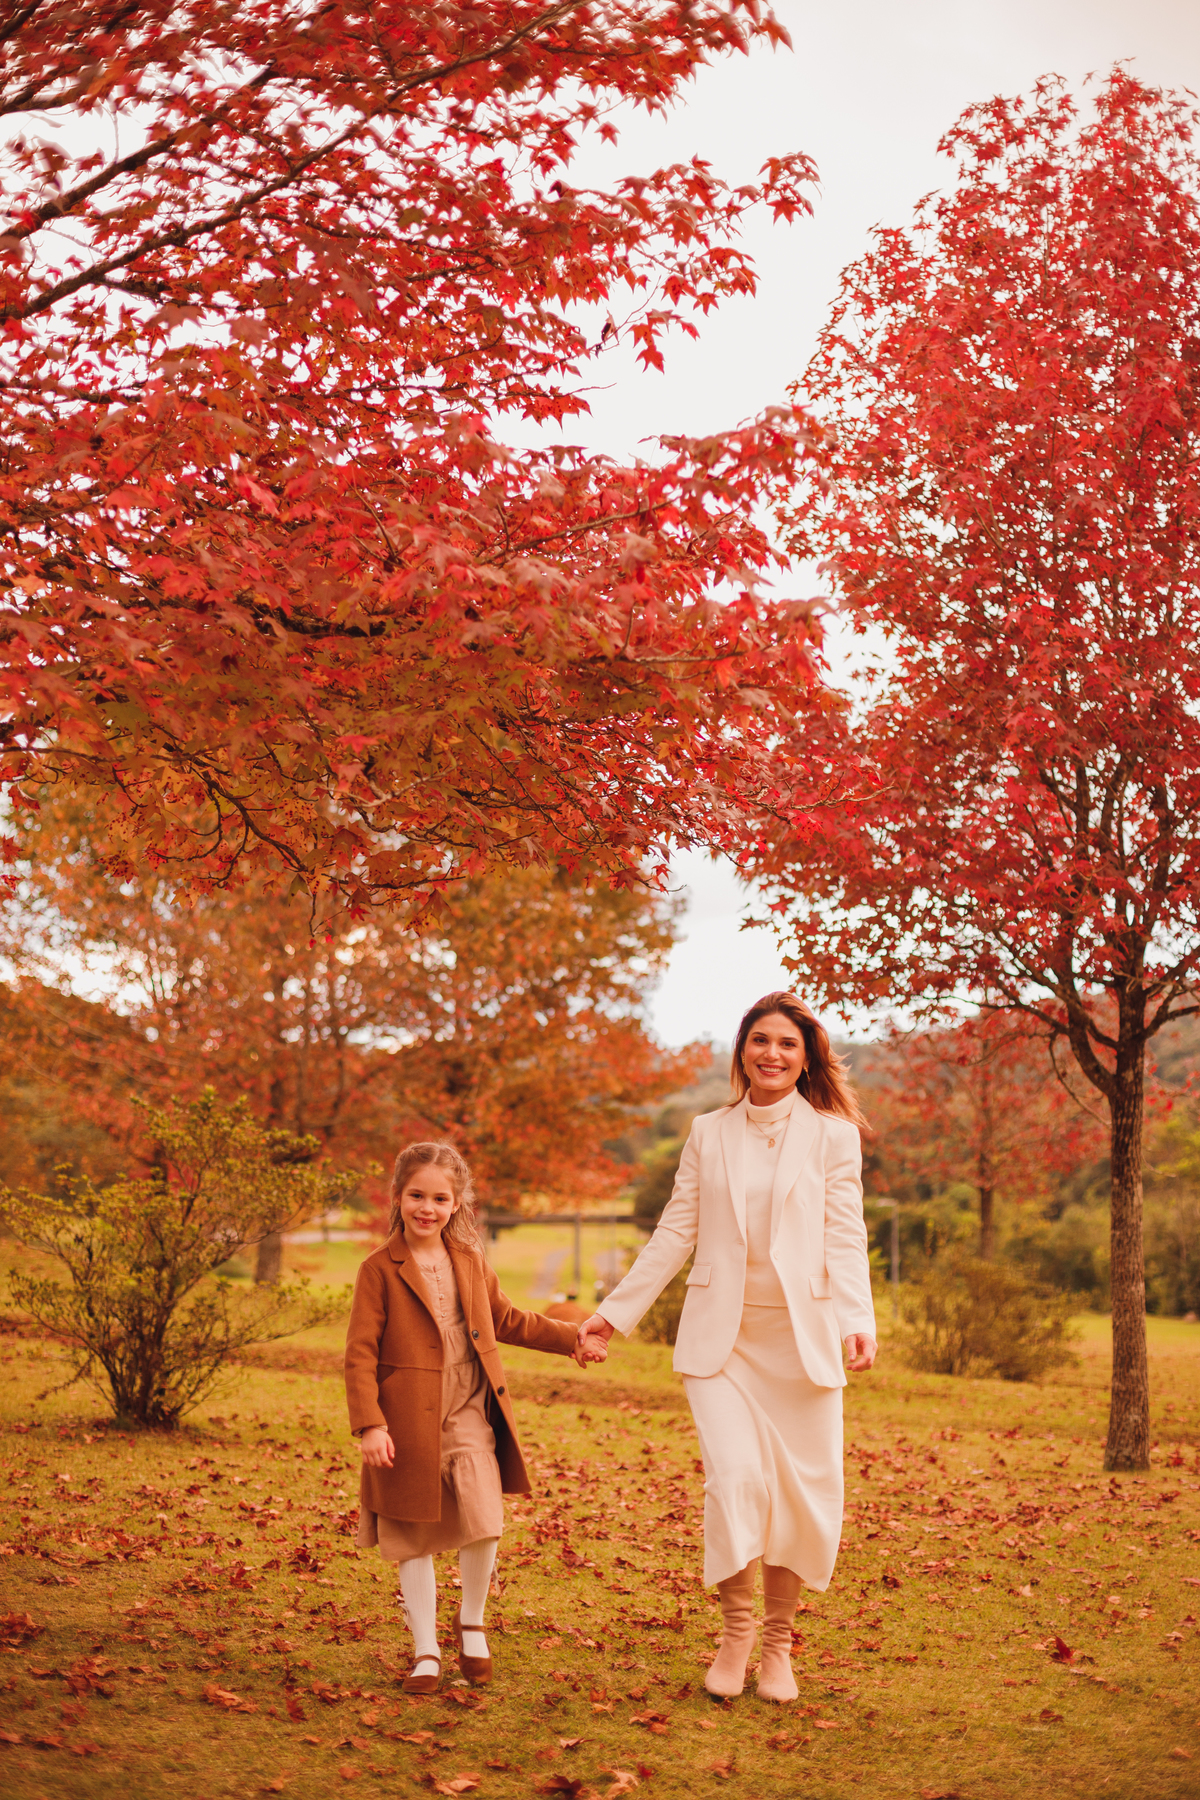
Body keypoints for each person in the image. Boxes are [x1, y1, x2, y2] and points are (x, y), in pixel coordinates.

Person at [577, 992, 877, 1703]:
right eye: (760, 1040)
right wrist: (613, 1316)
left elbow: (845, 1235)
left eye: (788, 1045)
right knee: (736, 1482)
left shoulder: (834, 1136)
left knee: (802, 1498)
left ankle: (778, 1646)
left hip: (802, 1345)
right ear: (742, 1049)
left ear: (806, 1060)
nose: (772, 1054)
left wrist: (854, 1318)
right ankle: (736, 1632)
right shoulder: (708, 1131)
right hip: (722, 1345)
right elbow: (676, 1231)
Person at [345, 1140, 608, 1693]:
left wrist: (572, 1339)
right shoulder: (378, 1270)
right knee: (414, 1533)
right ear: (398, 1197)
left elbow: (508, 1319)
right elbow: (360, 1353)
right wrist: (370, 1424)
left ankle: (471, 1621)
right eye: (417, 1195)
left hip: (469, 1407)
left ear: (457, 1203)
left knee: (484, 1518)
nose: (427, 1208)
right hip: (407, 1419)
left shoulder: (469, 1261)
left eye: (440, 1198)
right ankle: (424, 1651)